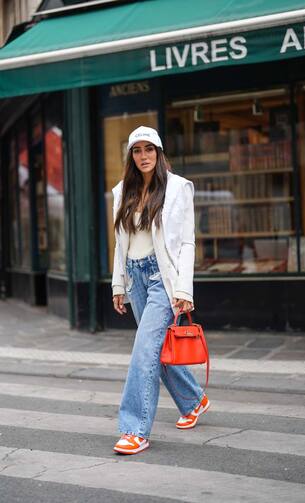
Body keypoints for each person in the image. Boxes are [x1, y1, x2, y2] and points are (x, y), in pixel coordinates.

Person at [112, 126, 210, 455]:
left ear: (159, 151)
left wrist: (184, 289)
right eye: (137, 150)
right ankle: (194, 400)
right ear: (131, 155)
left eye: (149, 149)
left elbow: (186, 242)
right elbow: (120, 244)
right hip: (136, 278)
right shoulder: (121, 191)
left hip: (161, 279)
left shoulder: (178, 188)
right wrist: (119, 283)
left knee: (143, 353)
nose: (144, 156)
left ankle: (135, 429)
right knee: (156, 350)